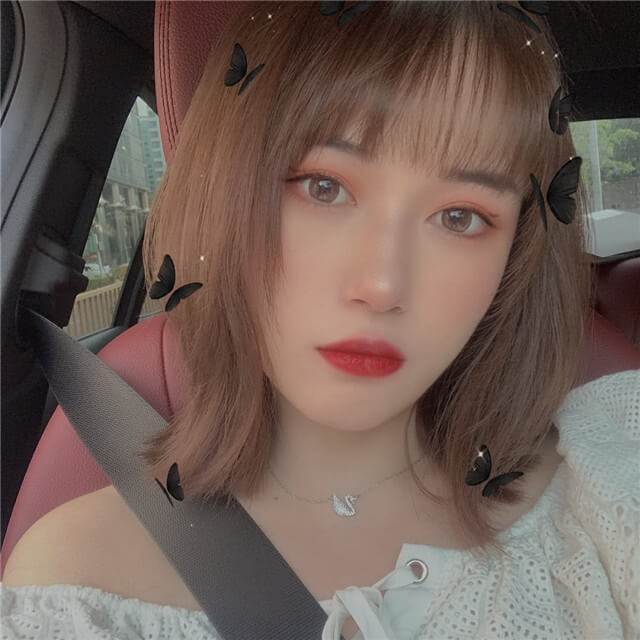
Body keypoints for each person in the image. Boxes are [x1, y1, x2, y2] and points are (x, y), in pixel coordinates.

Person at [2, 2, 639, 639]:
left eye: (460, 217)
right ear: (226, 197)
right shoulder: (76, 584)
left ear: (514, 253)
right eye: (323, 187)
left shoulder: (608, 493)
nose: (382, 287)